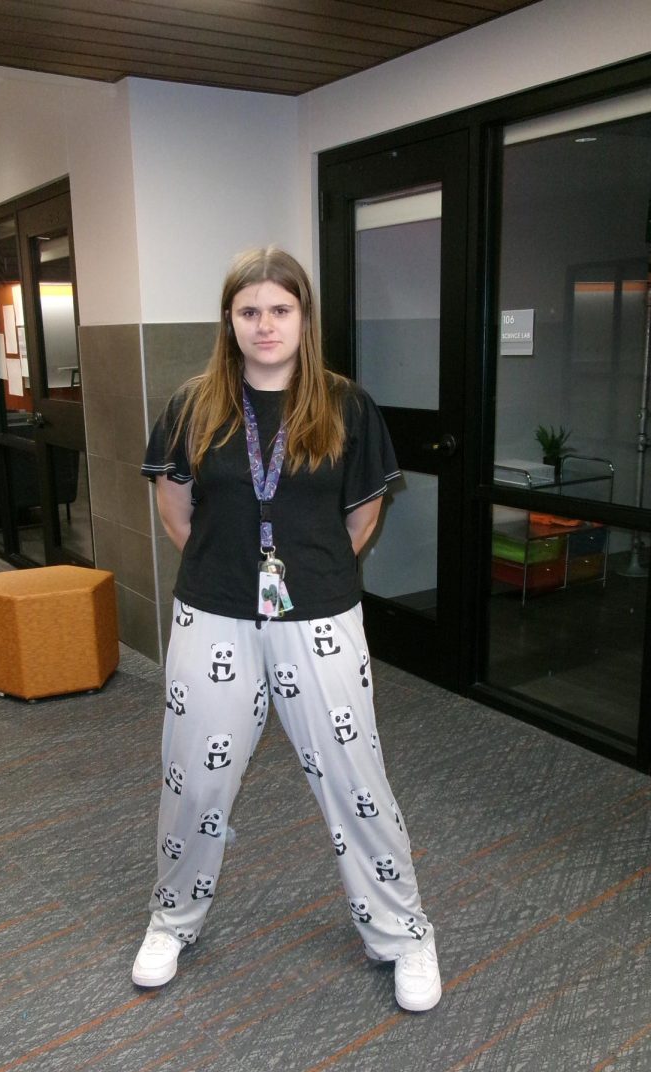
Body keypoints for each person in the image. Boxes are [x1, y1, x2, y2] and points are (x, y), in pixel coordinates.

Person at [133, 246, 441, 1012]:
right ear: (229, 320)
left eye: (280, 309)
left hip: (321, 618)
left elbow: (361, 516)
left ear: (304, 318)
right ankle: (172, 919)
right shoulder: (193, 405)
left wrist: (308, 569)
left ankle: (403, 934)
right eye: (249, 311)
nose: (264, 325)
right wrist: (228, 570)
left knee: (355, 780)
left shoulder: (344, 405)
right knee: (193, 779)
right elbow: (177, 509)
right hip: (215, 613)